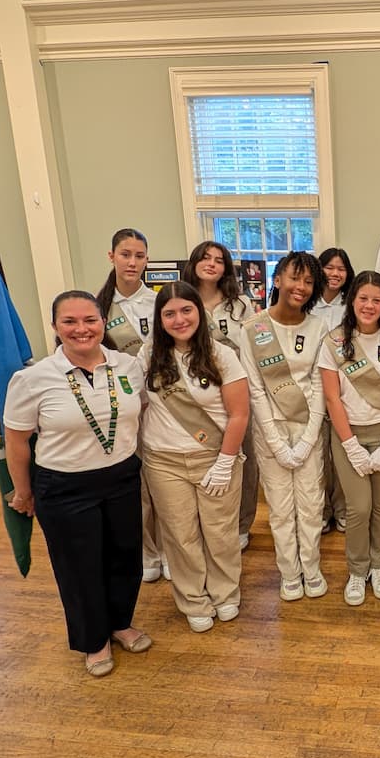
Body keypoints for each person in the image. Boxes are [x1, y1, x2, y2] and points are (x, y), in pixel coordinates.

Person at [3, 290, 151, 678]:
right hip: (64, 486)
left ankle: (120, 623)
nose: (81, 329)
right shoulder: (33, 378)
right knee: (79, 567)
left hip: (121, 477)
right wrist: (23, 491)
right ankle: (93, 641)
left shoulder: (128, 366)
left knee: (124, 558)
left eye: (90, 320)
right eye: (70, 321)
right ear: (55, 327)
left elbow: (141, 412)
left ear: (103, 322)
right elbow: (16, 441)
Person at [139, 282, 250, 633]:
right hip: (164, 461)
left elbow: (239, 415)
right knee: (179, 534)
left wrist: (225, 462)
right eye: (169, 313)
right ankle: (193, 599)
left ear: (198, 312)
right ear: (159, 319)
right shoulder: (148, 355)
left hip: (216, 457)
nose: (179, 319)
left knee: (220, 532)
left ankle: (225, 592)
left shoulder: (222, 355)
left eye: (186, 310)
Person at [238, 251, 329, 601]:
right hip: (270, 429)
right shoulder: (254, 329)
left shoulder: (319, 327)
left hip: (308, 427)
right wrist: (275, 441)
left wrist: (307, 440)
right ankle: (289, 573)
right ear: (277, 280)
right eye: (294, 278)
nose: (301, 287)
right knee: (279, 506)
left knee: (310, 504)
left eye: (308, 281)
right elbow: (255, 389)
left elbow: (321, 384)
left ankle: (311, 566)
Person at [319, 270, 380, 605]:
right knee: (359, 507)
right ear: (352, 300)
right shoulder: (334, 342)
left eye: (376, 299)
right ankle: (358, 571)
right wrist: (351, 446)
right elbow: (332, 399)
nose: (369, 305)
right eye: (363, 299)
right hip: (348, 436)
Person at [95, 228, 166, 583]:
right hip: (120, 406)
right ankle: (147, 550)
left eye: (139, 256)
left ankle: (167, 549)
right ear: (111, 257)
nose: (132, 262)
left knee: (161, 482)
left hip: (159, 404)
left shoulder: (159, 303)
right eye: (125, 254)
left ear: (147, 260)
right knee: (134, 485)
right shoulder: (98, 308)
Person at [182, 240, 260, 551]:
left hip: (238, 391)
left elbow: (254, 347)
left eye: (219, 259)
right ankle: (203, 526)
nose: (212, 264)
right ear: (194, 262)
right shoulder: (182, 300)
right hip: (196, 396)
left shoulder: (240, 304)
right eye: (205, 258)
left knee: (244, 457)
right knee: (203, 456)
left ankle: (241, 524)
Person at [312, 248, 356, 535]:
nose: (335, 273)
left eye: (341, 268)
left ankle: (341, 508)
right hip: (310, 387)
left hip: (345, 387)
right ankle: (322, 509)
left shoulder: (351, 304)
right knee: (318, 455)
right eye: (329, 267)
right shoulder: (307, 303)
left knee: (341, 452)